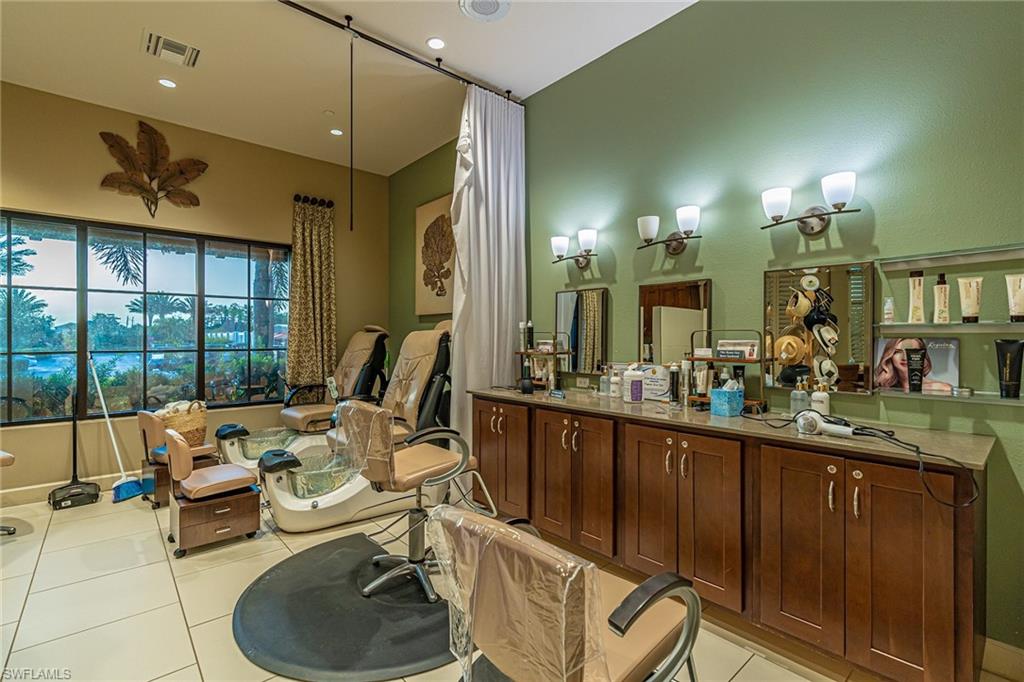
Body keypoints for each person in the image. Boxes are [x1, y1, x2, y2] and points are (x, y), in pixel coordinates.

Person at [874, 338, 952, 393]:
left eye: (912, 351)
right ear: (890, 356)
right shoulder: (882, 386)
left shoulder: (942, 389)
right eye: (898, 352)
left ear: (922, 356)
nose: (904, 358)